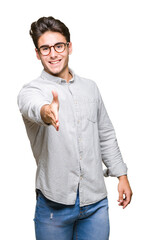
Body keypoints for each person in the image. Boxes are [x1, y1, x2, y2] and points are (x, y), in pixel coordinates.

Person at [17, 16, 132, 240]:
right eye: (45, 48)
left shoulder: (90, 88)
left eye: (58, 46)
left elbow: (105, 134)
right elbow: (32, 107)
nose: (53, 53)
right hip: (54, 206)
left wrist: (122, 175)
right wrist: (47, 112)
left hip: (95, 204)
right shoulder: (31, 91)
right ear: (37, 53)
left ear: (69, 47)